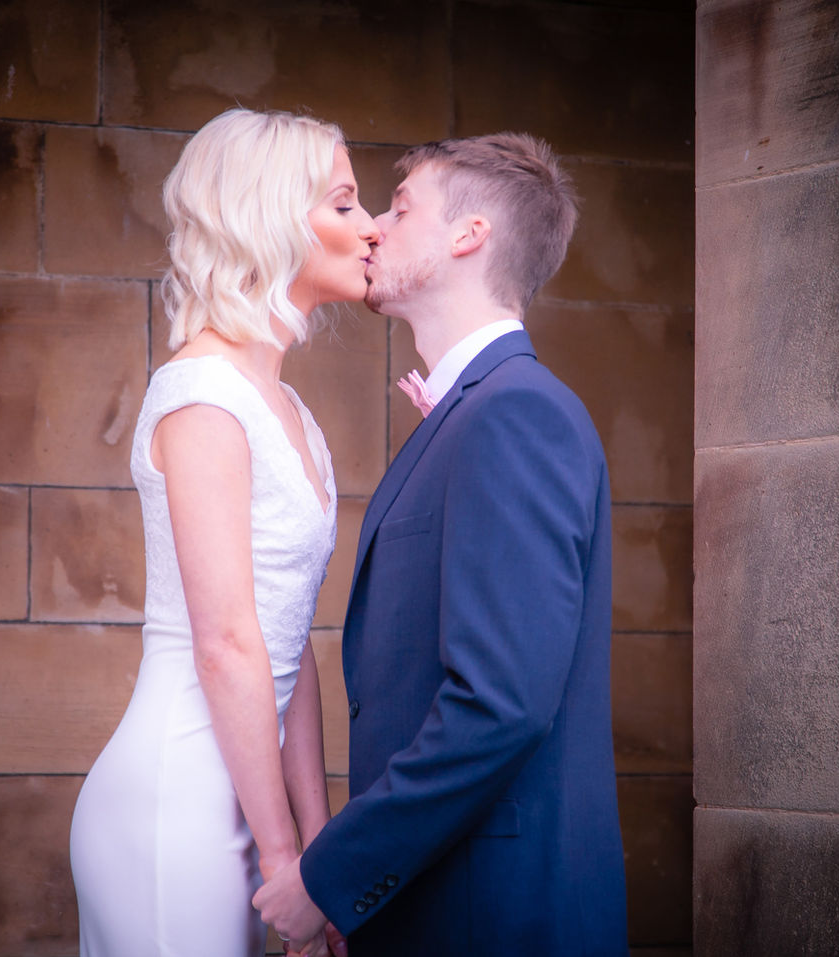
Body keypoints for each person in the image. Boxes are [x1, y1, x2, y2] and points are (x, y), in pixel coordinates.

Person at [253, 133, 628, 956]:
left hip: (490, 917)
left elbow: (498, 701)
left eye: (401, 206)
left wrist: (329, 876)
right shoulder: (481, 413)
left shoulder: (514, 414)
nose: (375, 228)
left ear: (470, 235)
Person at [69, 108, 378, 957]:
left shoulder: (292, 413)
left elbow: (288, 640)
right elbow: (230, 644)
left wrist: (316, 853)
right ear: (272, 217)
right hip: (175, 800)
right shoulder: (203, 390)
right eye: (346, 204)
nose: (372, 227)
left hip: (250, 804)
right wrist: (286, 857)